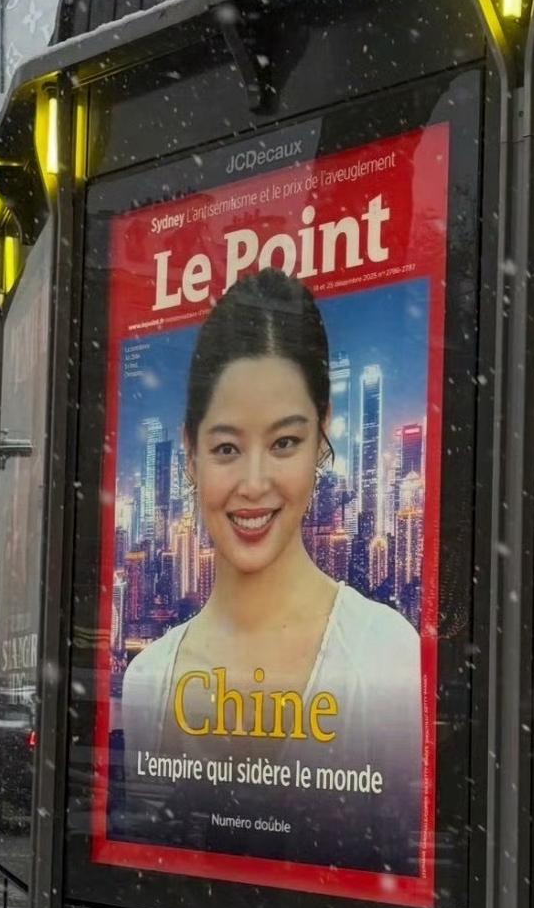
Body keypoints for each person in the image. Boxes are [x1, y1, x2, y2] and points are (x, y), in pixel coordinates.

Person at [119, 269, 424, 873]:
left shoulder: (387, 654)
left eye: (284, 442)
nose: (254, 484)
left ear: (321, 442)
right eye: (227, 448)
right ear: (191, 453)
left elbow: (399, 861)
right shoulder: (148, 680)